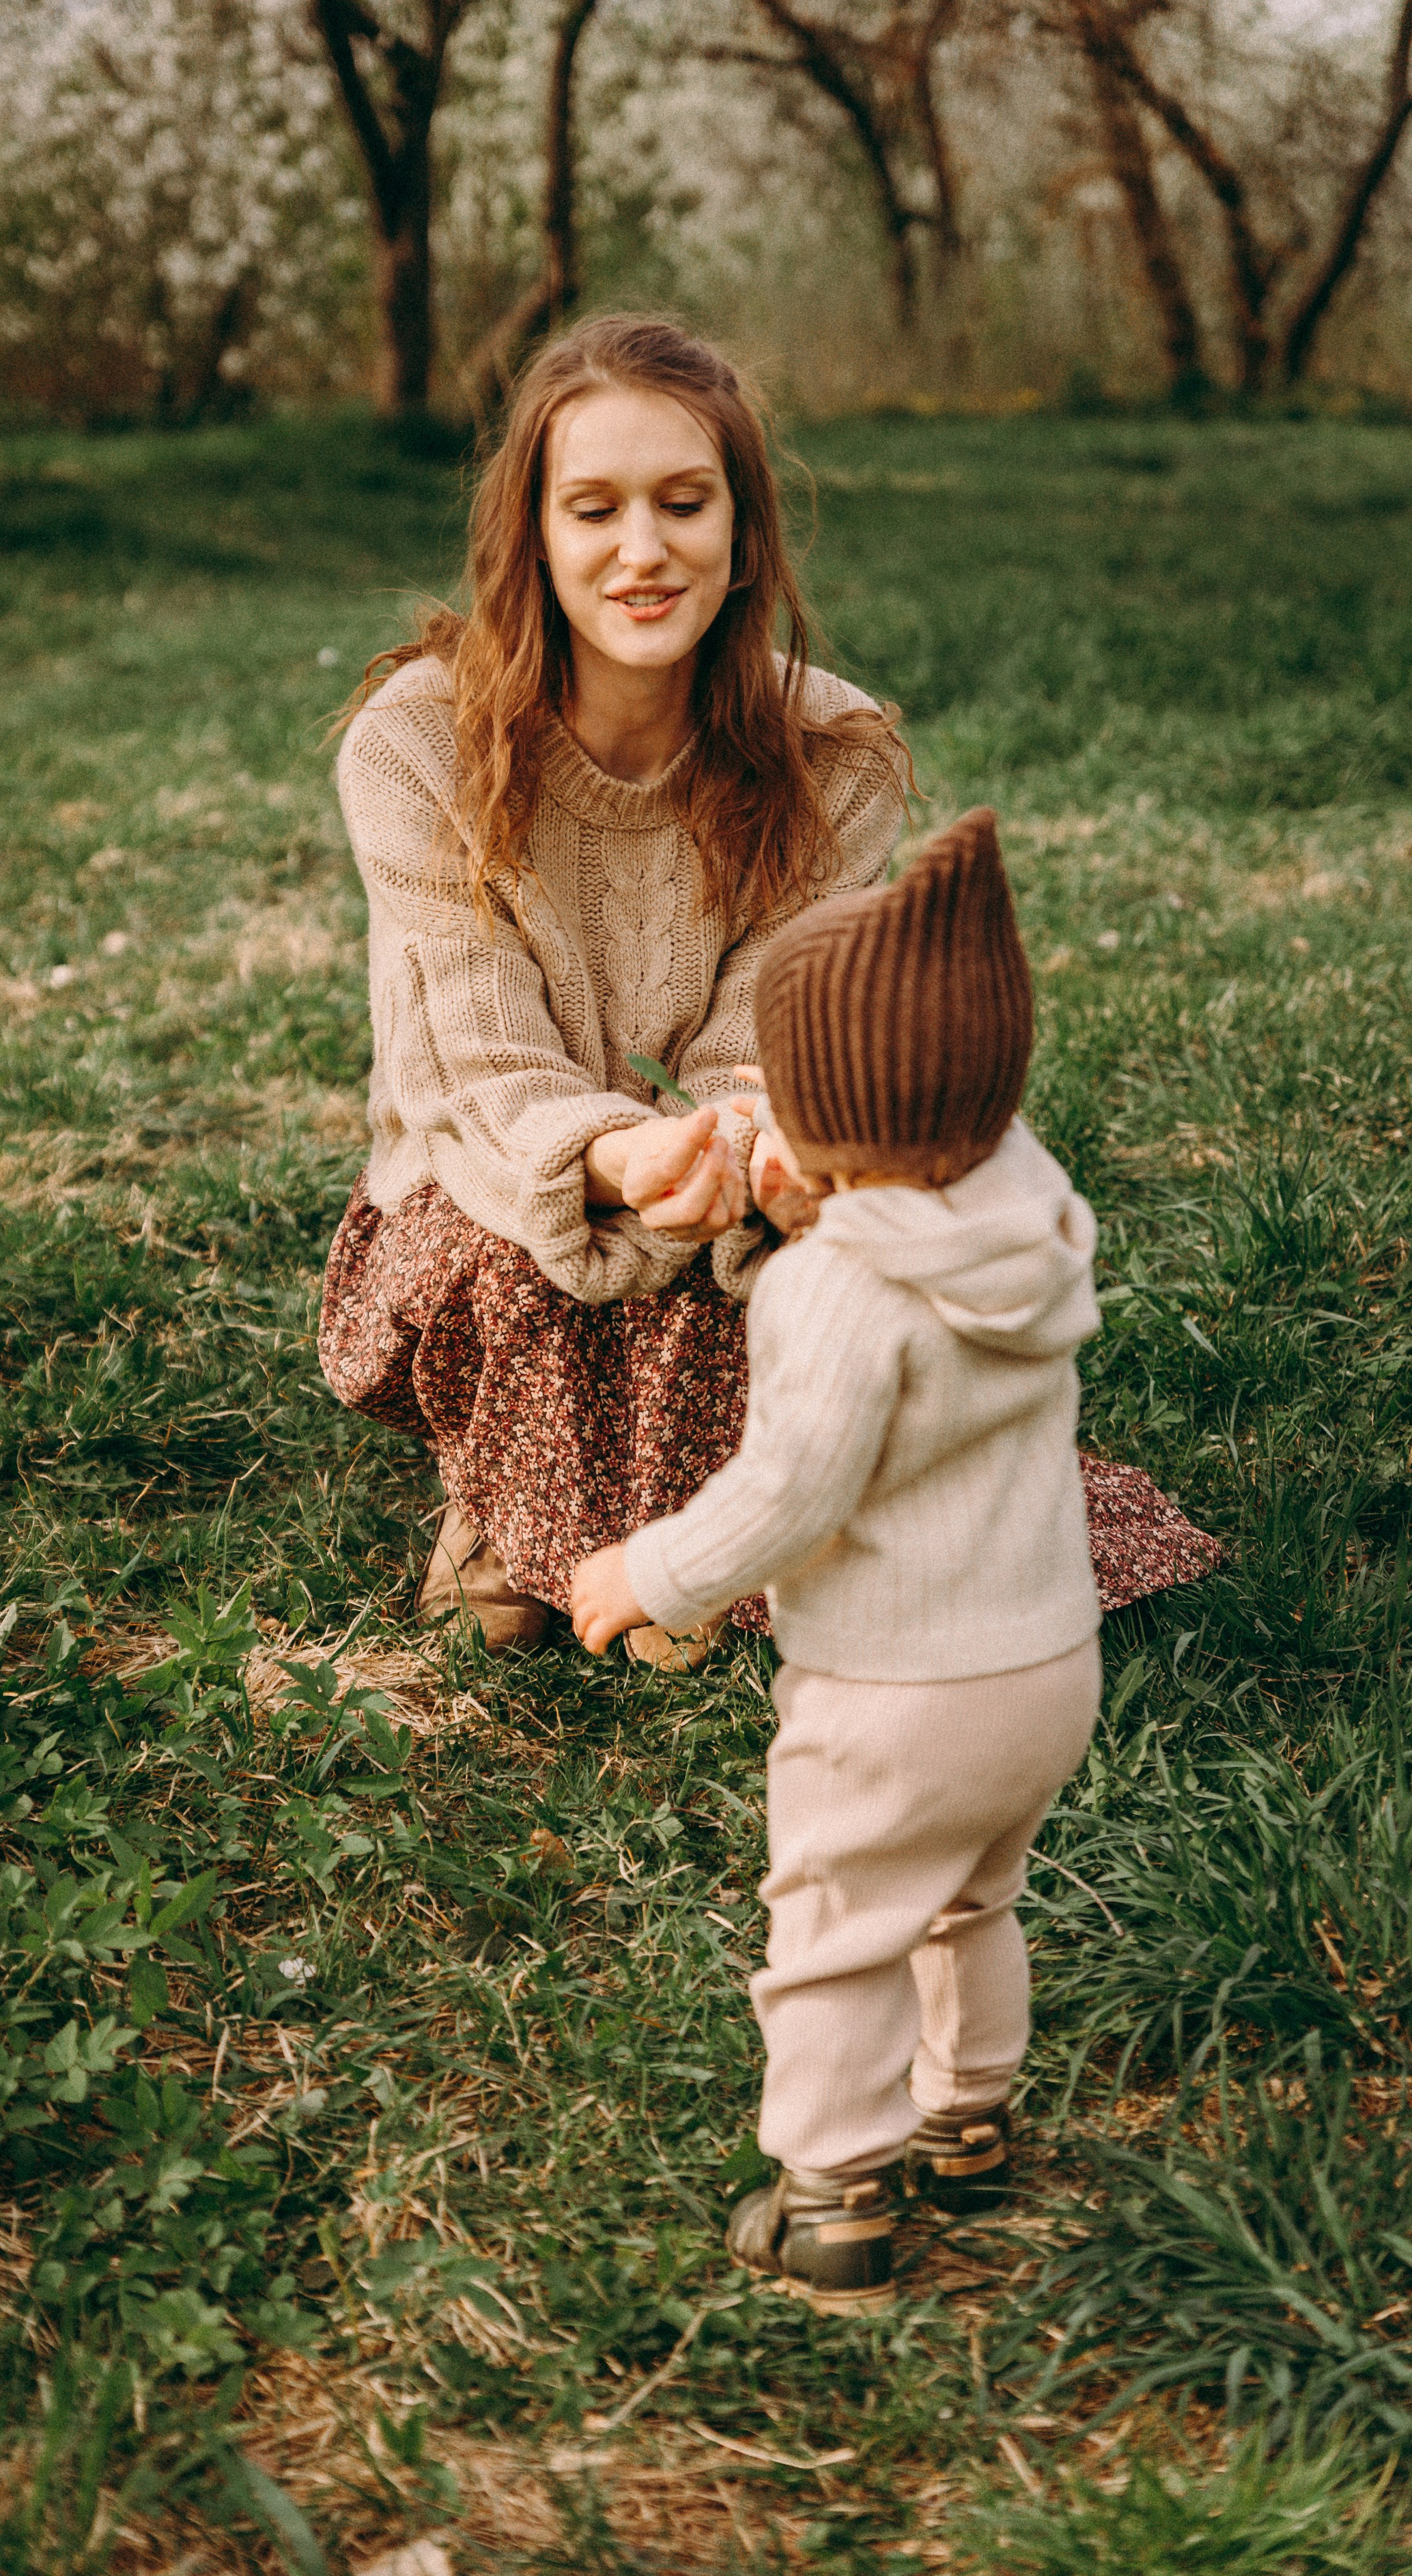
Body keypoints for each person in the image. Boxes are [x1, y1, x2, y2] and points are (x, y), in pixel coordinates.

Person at [318, 311, 1218, 1660]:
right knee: (523, 1257)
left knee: (833, 1271)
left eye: (684, 503)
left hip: (720, 1172)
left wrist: (737, 1143)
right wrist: (621, 1157)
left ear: (741, 533)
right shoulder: (416, 747)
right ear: (534, 538)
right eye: (593, 510)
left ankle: (639, 1537)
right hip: (483, 1179)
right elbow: (480, 1071)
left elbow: (780, 1038)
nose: (642, 549)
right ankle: (514, 1512)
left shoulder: (832, 755)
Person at [571, 810, 1103, 2312]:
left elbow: (789, 1493)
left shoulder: (836, 1297)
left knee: (834, 1927)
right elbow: (909, 1157)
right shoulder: (1027, 1212)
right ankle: (967, 2118)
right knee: (968, 1900)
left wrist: (653, 1573)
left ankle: (833, 2192)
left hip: (893, 1693)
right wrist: (840, 1164)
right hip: (1043, 1667)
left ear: (836, 1130)